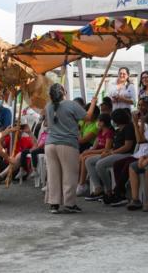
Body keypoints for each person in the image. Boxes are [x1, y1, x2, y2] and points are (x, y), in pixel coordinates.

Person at [44, 83, 97, 214]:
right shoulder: (71, 104)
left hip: (50, 144)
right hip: (67, 143)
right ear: (64, 93)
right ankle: (69, 203)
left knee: (53, 174)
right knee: (70, 175)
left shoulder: (48, 106)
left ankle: (54, 204)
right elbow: (88, 117)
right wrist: (93, 103)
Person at [84, 108, 136, 203]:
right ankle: (98, 188)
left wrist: (111, 153)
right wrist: (108, 152)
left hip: (125, 154)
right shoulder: (118, 130)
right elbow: (115, 146)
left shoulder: (128, 128)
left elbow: (127, 146)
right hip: (115, 152)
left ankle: (108, 191)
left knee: (100, 164)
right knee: (89, 161)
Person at [76, 113, 114, 196]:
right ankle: (80, 182)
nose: (97, 123)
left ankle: (82, 184)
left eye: (99, 121)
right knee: (82, 155)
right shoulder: (100, 132)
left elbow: (106, 149)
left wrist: (90, 152)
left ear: (103, 122)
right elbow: (94, 146)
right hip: (97, 151)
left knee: (85, 158)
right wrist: (89, 151)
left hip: (104, 153)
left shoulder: (109, 133)